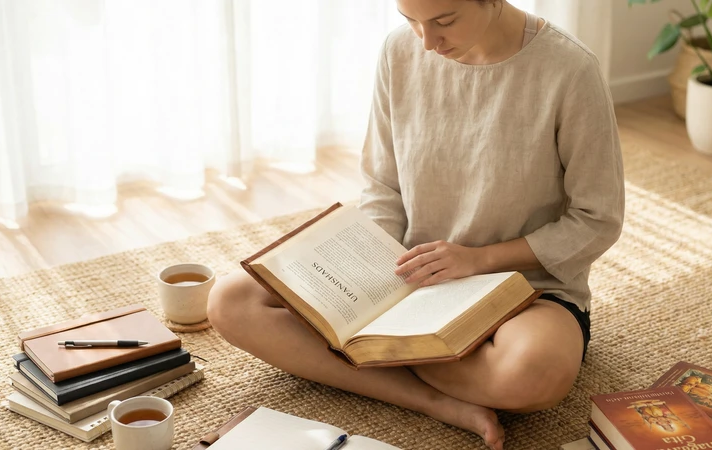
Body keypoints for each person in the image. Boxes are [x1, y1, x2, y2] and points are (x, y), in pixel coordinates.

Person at [207, 1, 624, 449]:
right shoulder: (399, 51)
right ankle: (434, 400)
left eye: (444, 21)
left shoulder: (569, 69)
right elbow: (383, 185)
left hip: (524, 289)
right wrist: (372, 271)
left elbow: (596, 220)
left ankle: (366, 354)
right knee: (231, 300)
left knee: (530, 373)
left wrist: (478, 259)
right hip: (407, 278)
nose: (427, 42)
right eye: (411, 21)